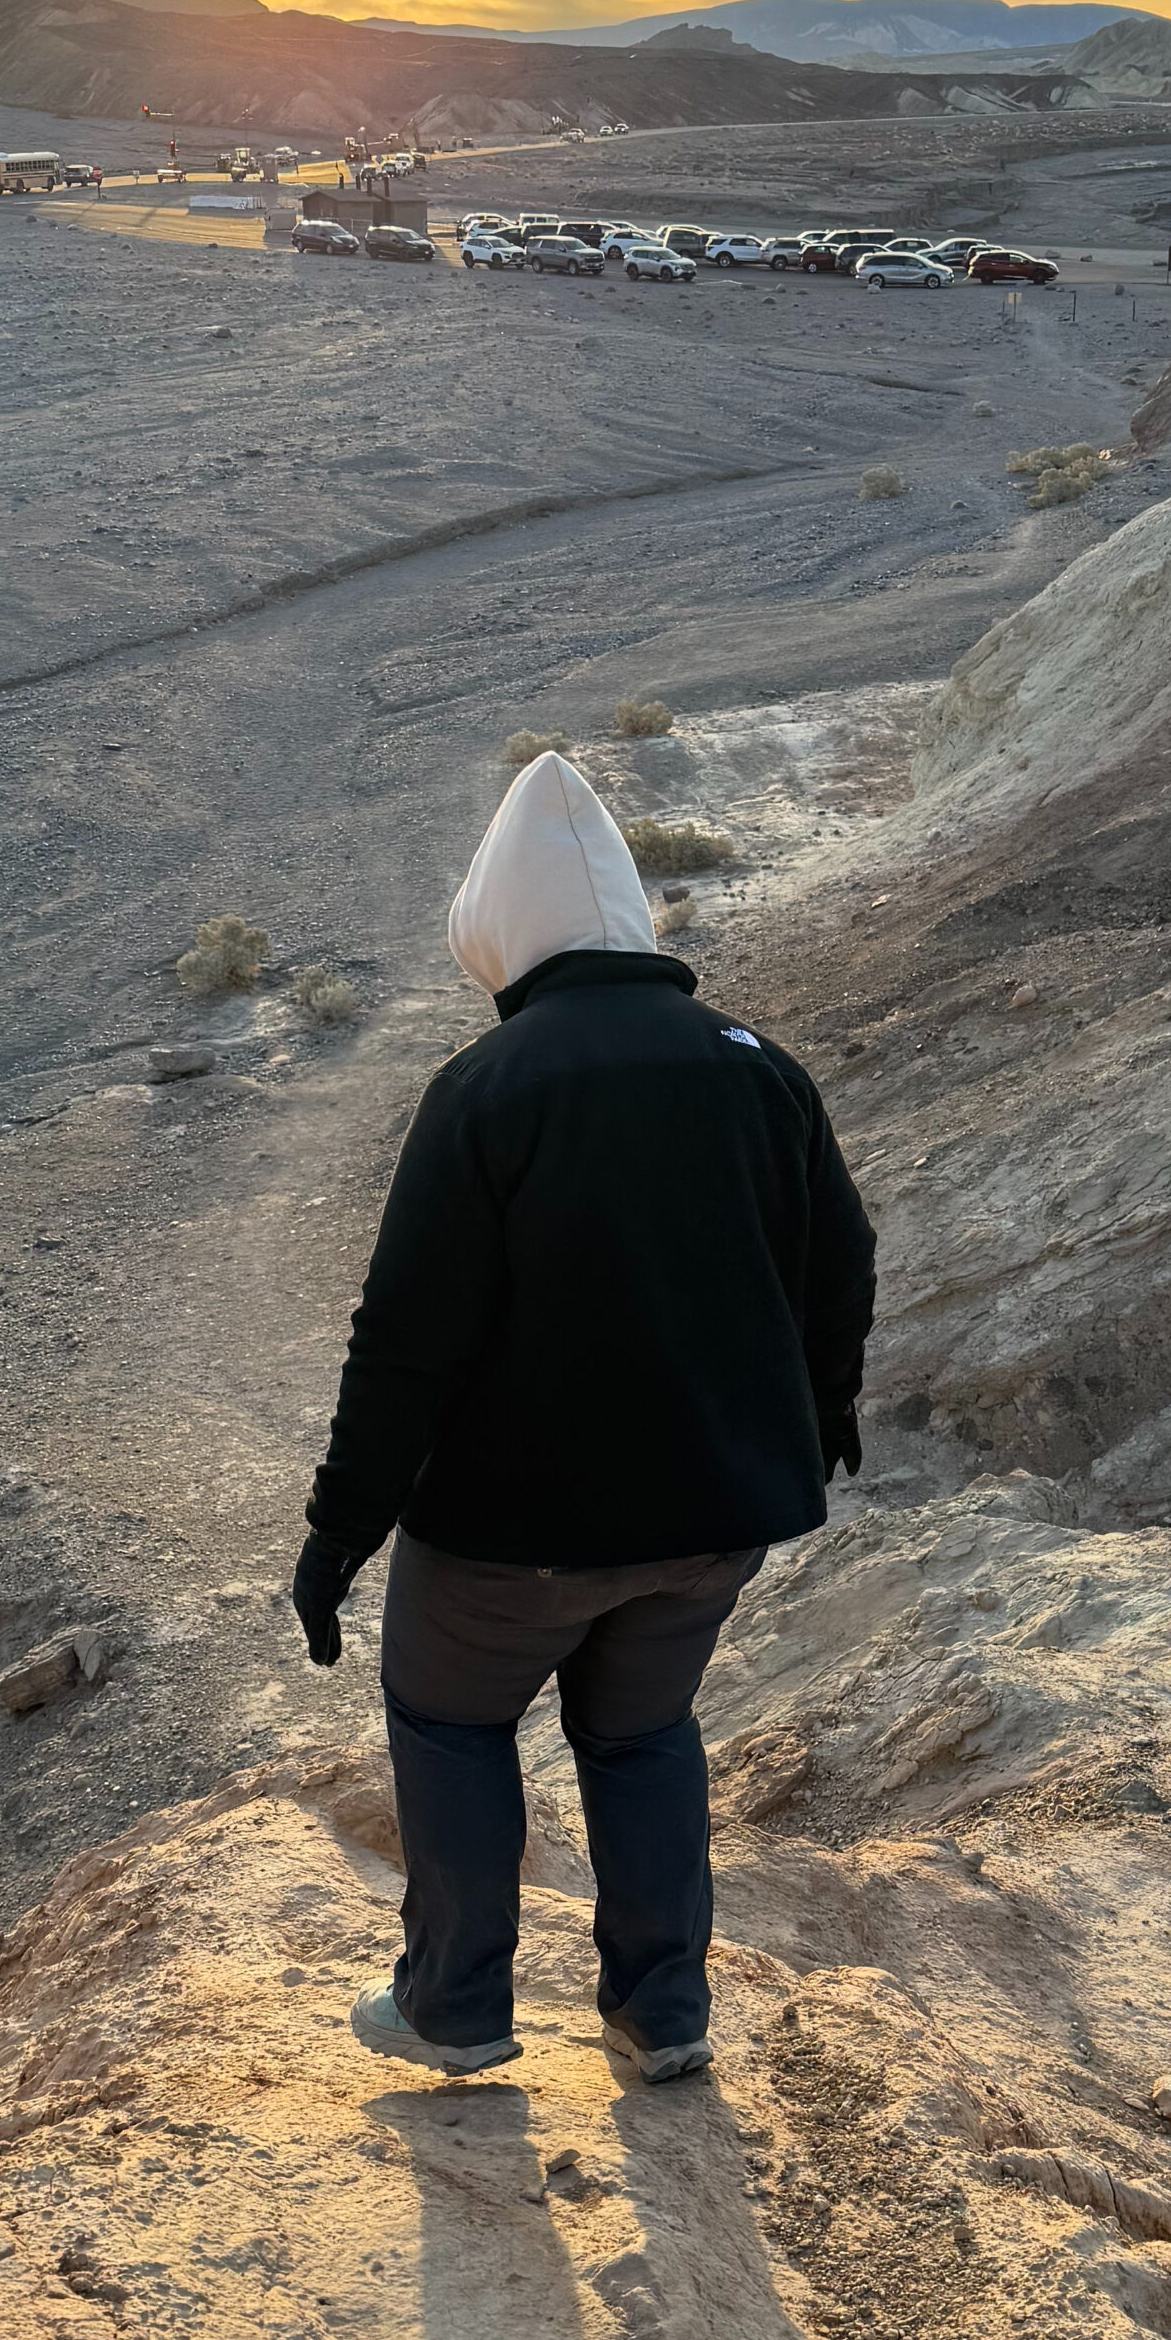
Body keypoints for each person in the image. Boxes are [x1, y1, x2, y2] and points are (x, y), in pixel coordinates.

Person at [292, 752, 876, 2084]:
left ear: (503, 928)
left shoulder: (488, 1091)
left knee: (449, 1725)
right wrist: (824, 1411)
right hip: (715, 1521)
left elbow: (403, 1347)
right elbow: (839, 1265)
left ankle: (455, 2006)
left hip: (513, 1539)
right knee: (641, 1736)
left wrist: (339, 1539)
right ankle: (661, 2011)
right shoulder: (760, 1069)